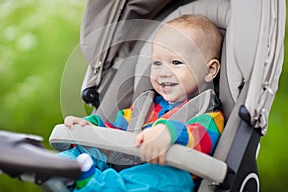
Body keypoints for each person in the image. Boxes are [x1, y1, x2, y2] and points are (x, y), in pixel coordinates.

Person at [60, 14, 224, 192]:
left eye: (176, 62)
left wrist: (169, 133)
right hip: (124, 166)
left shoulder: (209, 114)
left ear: (210, 70)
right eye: (157, 63)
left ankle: (89, 182)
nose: (163, 73)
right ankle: (64, 169)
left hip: (168, 175)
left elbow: (201, 140)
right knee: (87, 152)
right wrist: (91, 127)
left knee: (154, 179)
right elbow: (116, 131)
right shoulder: (143, 106)